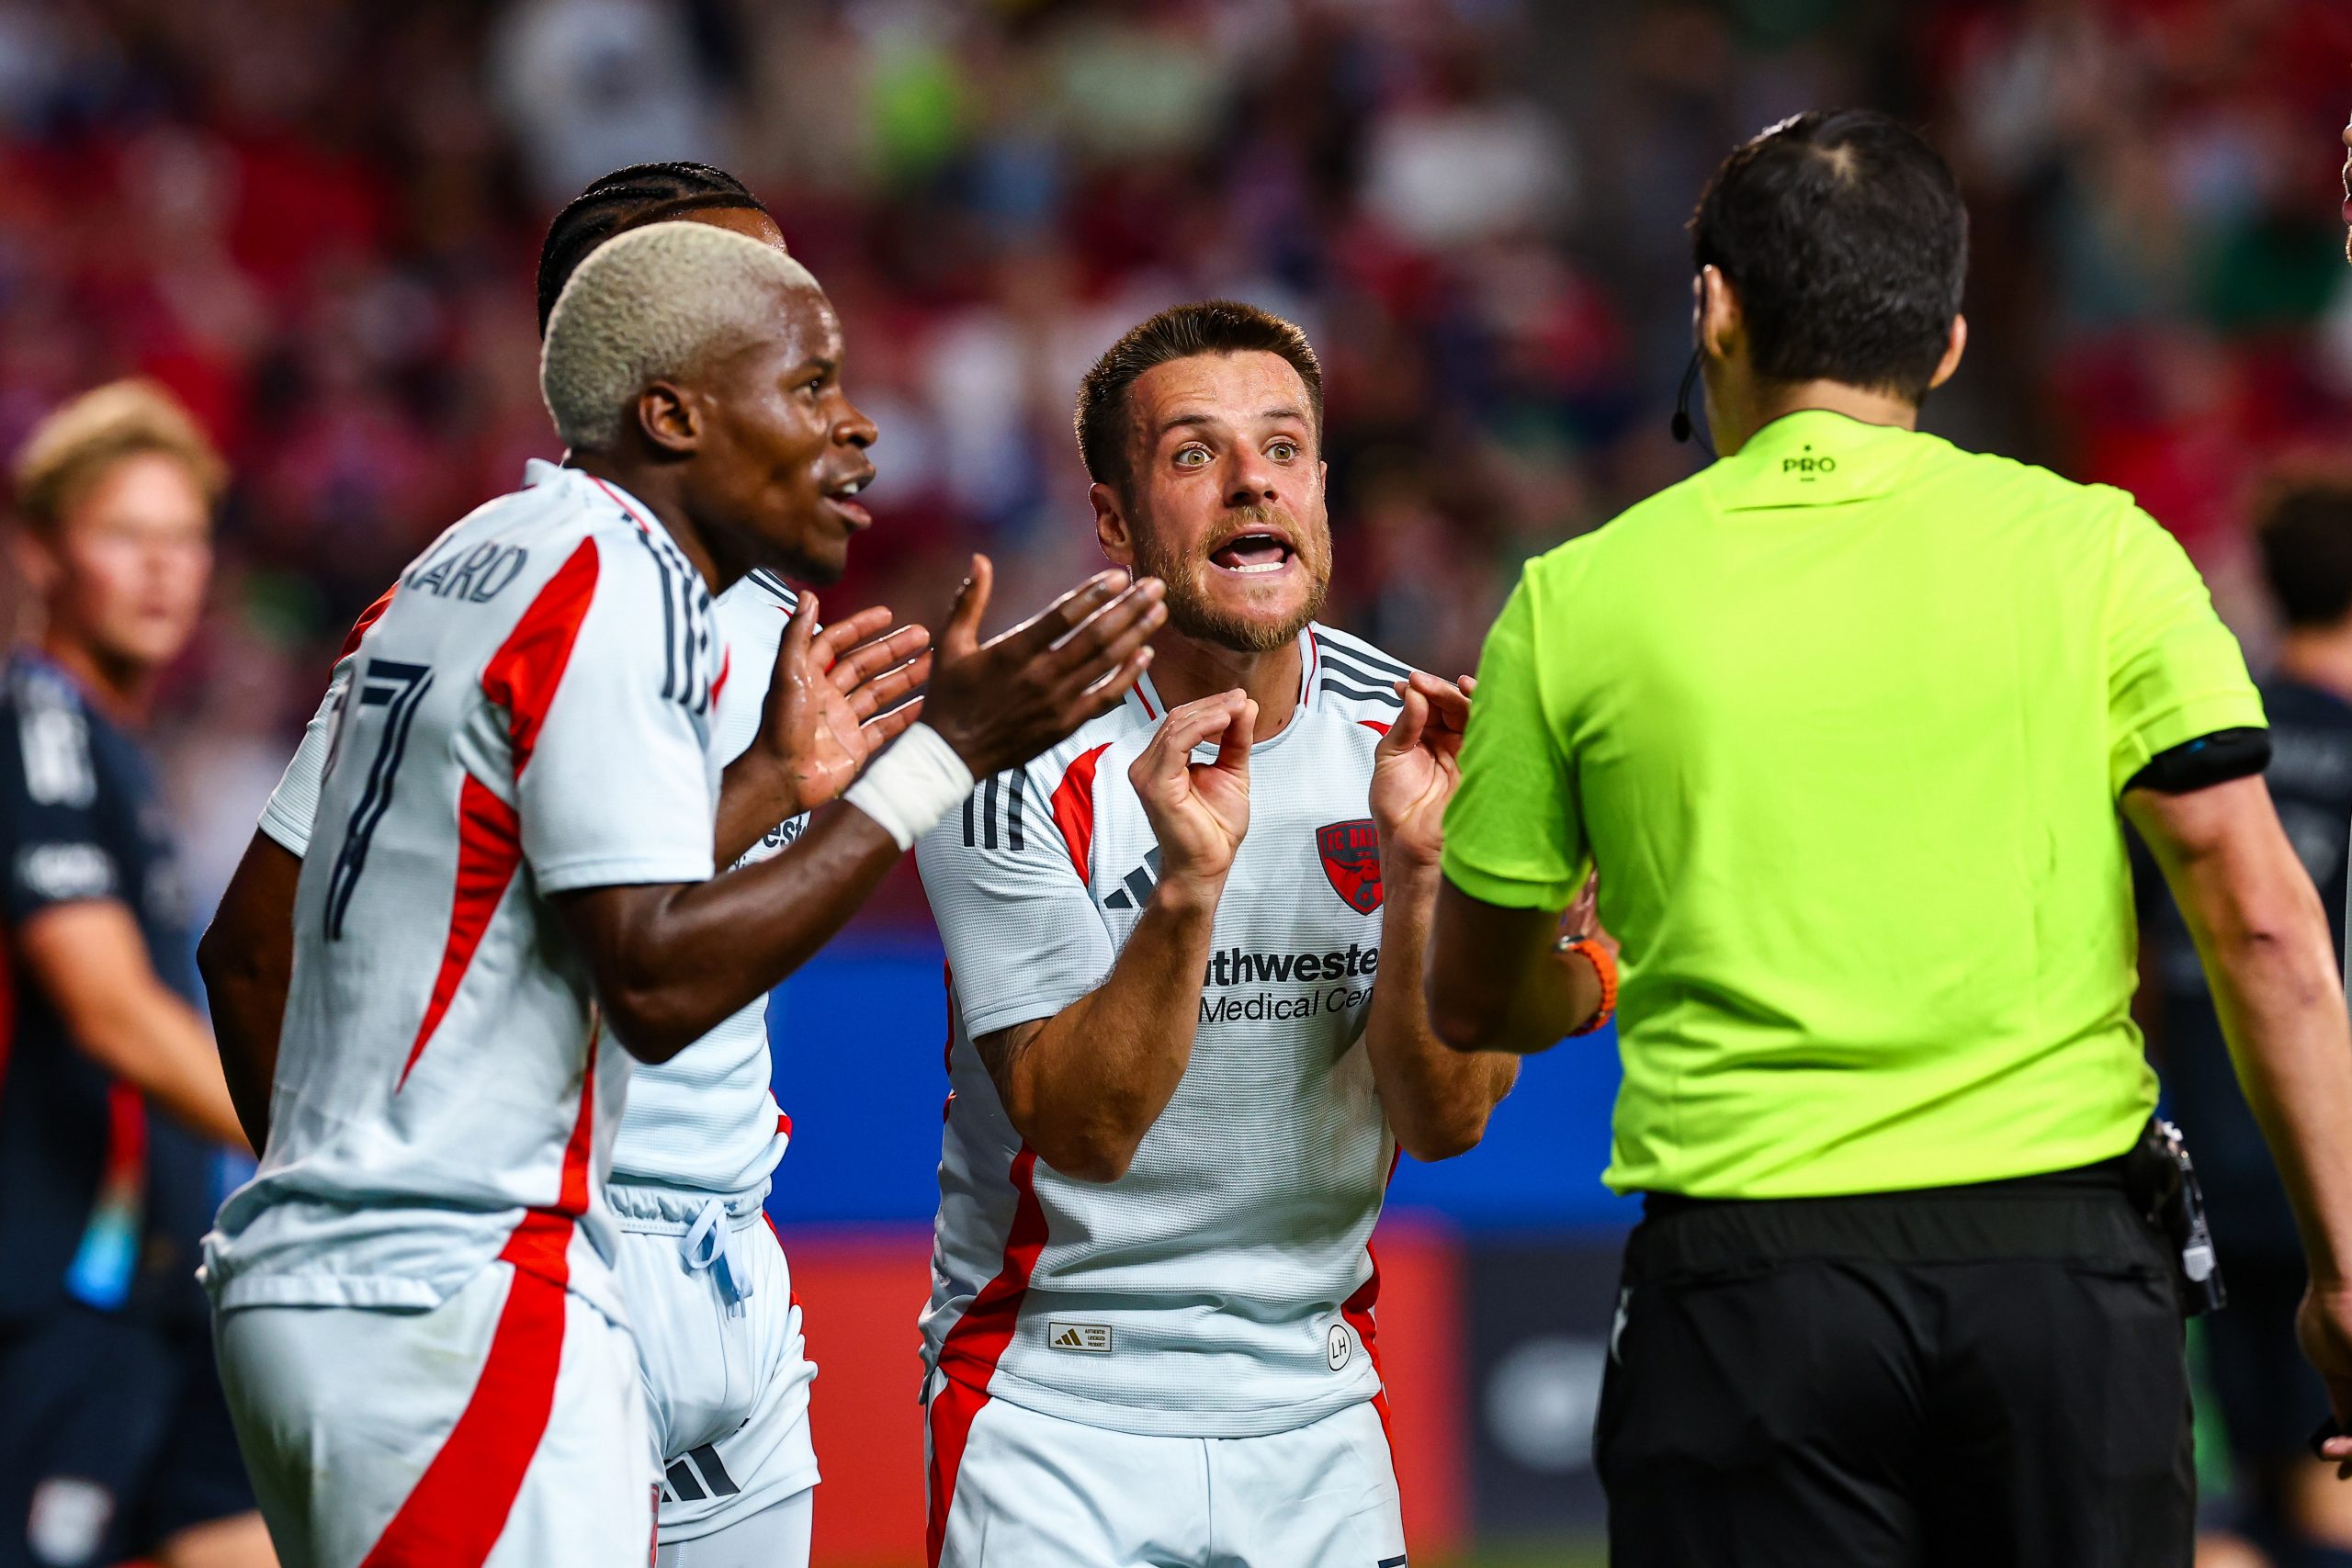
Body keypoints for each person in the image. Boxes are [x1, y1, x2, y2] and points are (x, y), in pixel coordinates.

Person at [1425, 108, 2352, 1568]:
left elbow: (1474, 999)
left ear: (1713, 310)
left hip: (1743, 1294)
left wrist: (1593, 970)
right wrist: (2346, 1276)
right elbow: (2262, 923)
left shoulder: (1574, 599)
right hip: (2065, 1282)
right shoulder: (2104, 550)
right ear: (1949, 341)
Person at [199, 222, 1166, 1568]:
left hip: (372, 1282)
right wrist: (945, 755)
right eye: (811, 385)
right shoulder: (621, 580)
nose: (858, 430)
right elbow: (652, 984)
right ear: (672, 411)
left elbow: (558, 921)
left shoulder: (490, 553)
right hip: (454, 1281)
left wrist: (772, 783)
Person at [198, 161, 896, 1566]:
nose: (829, 395)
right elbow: (257, 943)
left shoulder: (738, 604)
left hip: (728, 1255)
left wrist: (769, 785)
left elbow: (573, 885)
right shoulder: (540, 580)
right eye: (761, 322)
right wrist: (385, 1205)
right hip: (536, 1247)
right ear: (649, 369)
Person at [912, 299, 1603, 1568]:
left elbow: (1445, 1119)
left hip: (1317, 1401)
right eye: (1193, 455)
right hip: (1059, 1405)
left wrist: (1420, 874)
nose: (1251, 484)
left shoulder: (1415, 741)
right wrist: (1190, 884)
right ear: (1114, 520)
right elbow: (1084, 1125)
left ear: (1322, 488)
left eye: (1283, 449)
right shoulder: (1004, 747)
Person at [0, 383, 275, 1568]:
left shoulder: (115, 746)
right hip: (56, 1285)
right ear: (41, 555)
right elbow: (109, 1012)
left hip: (162, 1281)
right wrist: (314, 1139)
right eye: (124, 537)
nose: (163, 572)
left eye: (183, 539)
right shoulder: (35, 724)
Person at [2146, 478, 2352, 1568]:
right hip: (2336, 1166)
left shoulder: (2207, 751)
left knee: (2257, 1498)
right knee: (2331, 1489)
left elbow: (2137, 960)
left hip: (2216, 1163)